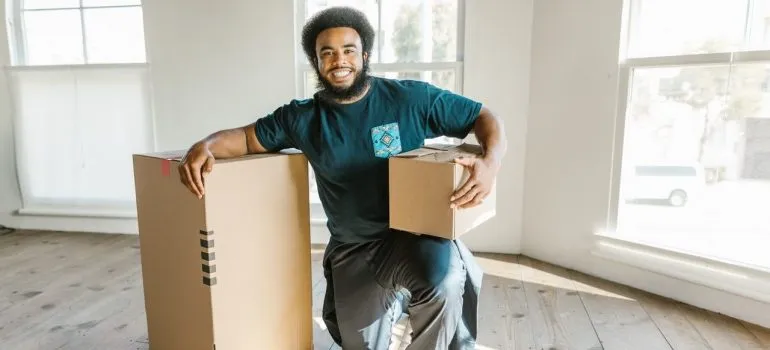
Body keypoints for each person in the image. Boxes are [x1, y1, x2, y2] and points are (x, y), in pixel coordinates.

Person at [178, 6, 506, 350]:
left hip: (415, 240)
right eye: (327, 53)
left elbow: (483, 117)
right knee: (359, 344)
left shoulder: (410, 99)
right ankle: (391, 306)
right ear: (317, 62)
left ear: (364, 55)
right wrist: (206, 145)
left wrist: (491, 162)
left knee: (446, 282)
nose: (340, 60)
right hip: (354, 248)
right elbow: (246, 138)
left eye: (349, 50)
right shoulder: (302, 118)